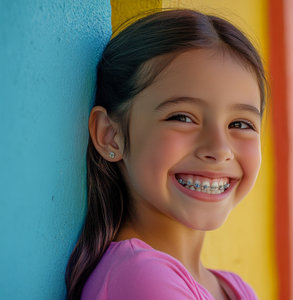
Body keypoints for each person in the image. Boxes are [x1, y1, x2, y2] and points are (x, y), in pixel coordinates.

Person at [65, 8, 266, 300]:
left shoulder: (234, 289)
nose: (220, 149)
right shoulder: (140, 278)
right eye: (182, 118)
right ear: (111, 135)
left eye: (240, 124)